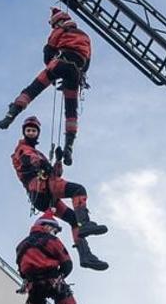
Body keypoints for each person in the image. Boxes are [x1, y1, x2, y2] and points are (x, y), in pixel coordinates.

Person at [11, 116, 109, 271]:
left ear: (37, 133)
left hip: (44, 196)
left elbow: (54, 172)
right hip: (42, 188)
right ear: (24, 132)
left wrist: (57, 160)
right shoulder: (23, 149)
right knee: (78, 190)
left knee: (72, 219)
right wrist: (42, 164)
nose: (31, 133)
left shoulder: (37, 153)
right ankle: (86, 224)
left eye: (33, 130)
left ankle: (85, 255)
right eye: (28, 130)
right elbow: (28, 160)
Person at [0, 7, 91, 165]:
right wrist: (75, 77)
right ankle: (69, 147)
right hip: (76, 72)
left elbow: (48, 51)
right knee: (71, 111)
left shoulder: (59, 30)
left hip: (60, 63)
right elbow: (87, 62)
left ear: (57, 22)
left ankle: (10, 116)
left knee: (32, 90)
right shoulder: (85, 36)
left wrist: (51, 70)